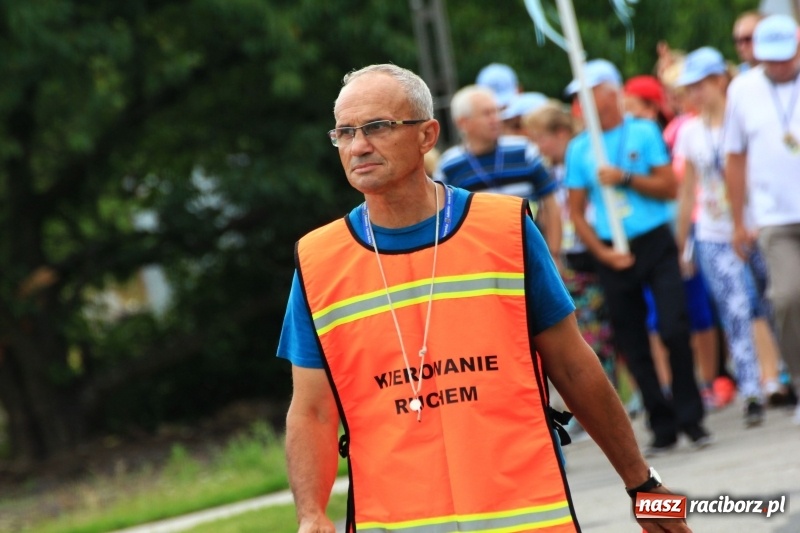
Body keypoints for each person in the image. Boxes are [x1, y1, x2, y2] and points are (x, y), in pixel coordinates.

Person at [279, 63, 692, 533]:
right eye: (345, 132)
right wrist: (310, 514)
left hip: (526, 518)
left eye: (377, 127)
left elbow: (574, 366)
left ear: (427, 135)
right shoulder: (318, 260)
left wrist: (644, 488)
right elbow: (311, 408)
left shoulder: (505, 230)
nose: (358, 146)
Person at [564, 59, 711, 456]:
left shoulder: (643, 131)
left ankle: (691, 416)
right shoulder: (579, 149)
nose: (582, 102)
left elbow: (668, 187)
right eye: (578, 96)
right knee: (631, 339)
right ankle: (660, 423)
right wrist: (603, 254)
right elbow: (576, 211)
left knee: (673, 327)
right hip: (614, 250)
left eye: (589, 93)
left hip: (653, 241)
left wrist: (626, 178)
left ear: (611, 93)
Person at [674, 46, 769, 426]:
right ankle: (751, 390)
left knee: (774, 302)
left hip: (757, 223)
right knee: (734, 309)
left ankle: (783, 375)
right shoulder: (690, 132)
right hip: (713, 231)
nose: (694, 95)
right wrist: (684, 242)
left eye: (699, 85)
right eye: (688, 88)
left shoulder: (743, 117)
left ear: (718, 81)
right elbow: (687, 190)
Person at [725, 14, 800, 424]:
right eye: (768, 59)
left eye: (785, 57)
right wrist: (739, 219)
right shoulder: (743, 89)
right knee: (786, 297)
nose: (777, 65)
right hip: (774, 217)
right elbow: (734, 157)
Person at [434, 85, 562, 262]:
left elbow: (551, 204)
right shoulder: (449, 166)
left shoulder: (524, 150)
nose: (495, 119)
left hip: (531, 253)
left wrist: (554, 254)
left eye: (496, 111)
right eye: (487, 113)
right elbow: (442, 219)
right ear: (463, 123)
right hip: (480, 261)